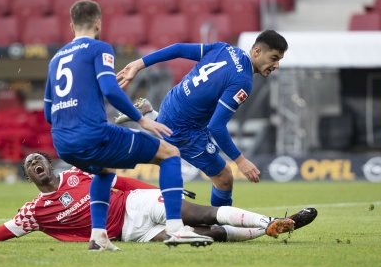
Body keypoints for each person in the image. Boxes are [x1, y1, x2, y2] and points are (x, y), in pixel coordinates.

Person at [44, 0, 212, 251]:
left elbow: (48, 111)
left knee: (104, 170)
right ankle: (176, 229)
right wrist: (142, 119)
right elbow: (111, 90)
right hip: (92, 134)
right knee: (170, 153)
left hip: (63, 143)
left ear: (71, 25)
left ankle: (98, 237)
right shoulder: (99, 48)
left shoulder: (55, 59)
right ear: (98, 23)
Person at [0, 152, 315, 244]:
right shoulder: (34, 212)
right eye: (30, 163)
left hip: (137, 205)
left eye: (39, 157)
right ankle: (271, 230)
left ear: (49, 165)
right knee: (206, 234)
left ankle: (272, 222)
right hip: (132, 234)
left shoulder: (78, 174)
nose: (36, 162)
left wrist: (166, 192)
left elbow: (122, 184)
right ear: (28, 176)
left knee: (203, 211)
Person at [116, 30, 288, 208]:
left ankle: (149, 115)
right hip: (184, 128)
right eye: (274, 58)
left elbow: (177, 48)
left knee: (169, 151)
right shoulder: (243, 81)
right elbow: (217, 127)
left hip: (172, 101)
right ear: (257, 51)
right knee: (224, 177)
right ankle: (219, 224)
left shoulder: (225, 49)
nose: (276, 65)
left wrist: (139, 63)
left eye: (279, 60)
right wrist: (240, 161)